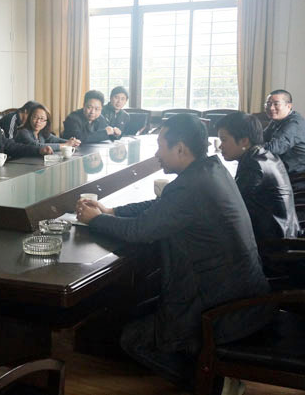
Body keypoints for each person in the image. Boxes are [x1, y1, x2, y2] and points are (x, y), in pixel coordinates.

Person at [76, 114, 271, 393]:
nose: (157, 154)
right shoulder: (209, 170)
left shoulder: (191, 186)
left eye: (160, 146)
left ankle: (215, 383)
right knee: (138, 312)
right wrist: (112, 211)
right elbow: (161, 206)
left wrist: (95, 220)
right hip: (241, 292)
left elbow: (141, 231)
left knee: (132, 339)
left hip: (223, 308)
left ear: (180, 148)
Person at [218, 111, 299, 242]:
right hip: (283, 230)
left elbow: (233, 204)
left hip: (276, 242)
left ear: (244, 141)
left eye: (224, 140)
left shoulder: (254, 165)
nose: (220, 146)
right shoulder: (261, 155)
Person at [262, 89, 305, 175]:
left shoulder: (294, 124)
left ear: (288, 106)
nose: (271, 108)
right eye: (268, 104)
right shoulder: (277, 120)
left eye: (276, 104)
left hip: (296, 172)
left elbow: (273, 149)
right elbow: (261, 137)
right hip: (279, 164)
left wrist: (247, 146)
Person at [14, 104, 81, 151]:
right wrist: (66, 145)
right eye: (35, 117)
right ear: (30, 118)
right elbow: (37, 146)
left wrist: (72, 142)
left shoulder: (41, 133)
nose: (38, 121)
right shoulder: (23, 132)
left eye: (42, 119)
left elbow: (56, 140)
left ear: (46, 122)